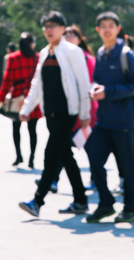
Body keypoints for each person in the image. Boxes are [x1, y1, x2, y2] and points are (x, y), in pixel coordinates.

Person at [18, 11, 91, 218]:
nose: (49, 30)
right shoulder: (43, 52)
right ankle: (81, 200)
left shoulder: (72, 51)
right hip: (49, 112)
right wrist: (26, 109)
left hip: (67, 112)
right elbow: (36, 83)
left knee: (51, 154)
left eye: (53, 26)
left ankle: (37, 201)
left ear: (62, 29)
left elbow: (83, 82)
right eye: (46, 26)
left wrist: (84, 113)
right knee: (65, 156)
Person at [85, 12, 134, 224]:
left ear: (118, 29)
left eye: (111, 25)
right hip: (104, 121)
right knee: (94, 160)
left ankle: (130, 209)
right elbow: (97, 80)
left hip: (124, 122)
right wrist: (94, 88)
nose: (107, 29)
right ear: (98, 30)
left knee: (127, 167)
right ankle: (106, 204)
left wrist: (108, 91)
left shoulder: (126, 54)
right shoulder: (101, 53)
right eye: (103, 26)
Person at [47, 24, 99, 192]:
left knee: (91, 149)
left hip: (86, 112)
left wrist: (85, 111)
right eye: (66, 34)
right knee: (62, 147)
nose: (68, 37)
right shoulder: (58, 55)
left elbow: (88, 83)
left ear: (80, 39)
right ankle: (52, 180)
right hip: (67, 112)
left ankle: (96, 180)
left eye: (72, 34)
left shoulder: (87, 58)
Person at [0, 32, 41, 168]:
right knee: (32, 130)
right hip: (33, 98)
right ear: (32, 44)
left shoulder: (13, 58)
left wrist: (1, 96)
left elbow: (7, 79)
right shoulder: (38, 58)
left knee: (16, 128)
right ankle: (32, 158)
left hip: (17, 96)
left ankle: (18, 156)